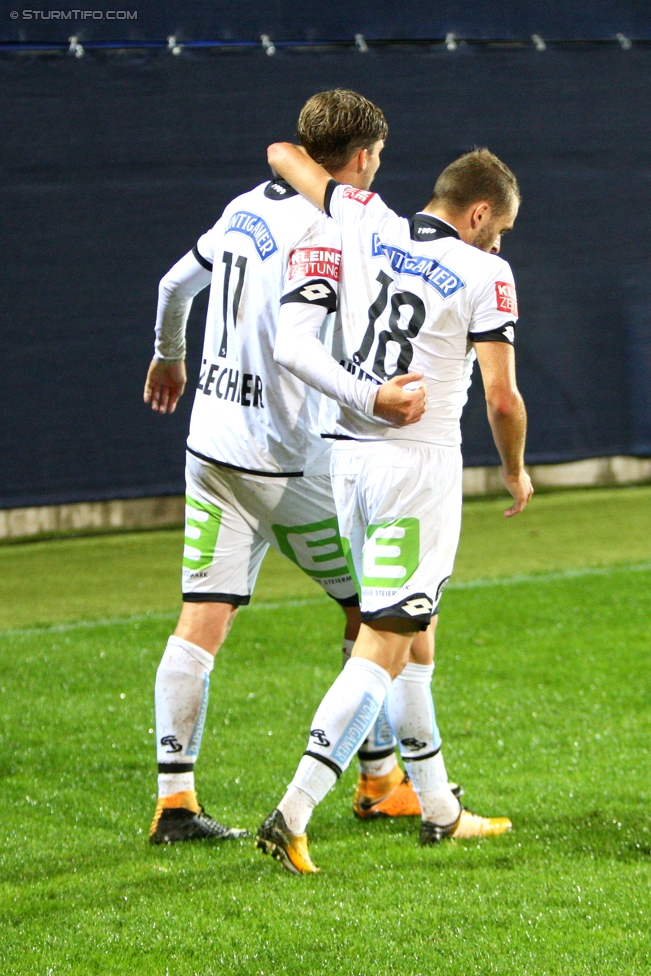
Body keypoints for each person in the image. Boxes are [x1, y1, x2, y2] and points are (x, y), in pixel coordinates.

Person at [142, 90, 427, 845]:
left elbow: (175, 285)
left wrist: (170, 355)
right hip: (290, 457)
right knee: (382, 611)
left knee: (201, 619)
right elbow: (308, 347)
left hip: (211, 447)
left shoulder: (241, 207)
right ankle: (378, 782)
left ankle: (175, 804)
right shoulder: (334, 227)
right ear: (362, 156)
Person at [255, 143, 533, 873]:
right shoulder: (486, 271)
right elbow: (501, 397)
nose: (498, 242)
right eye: (497, 227)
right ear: (478, 214)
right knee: (384, 639)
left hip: (346, 455)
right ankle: (294, 809)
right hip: (416, 465)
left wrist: (302, 153)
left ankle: (438, 807)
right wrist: (513, 469)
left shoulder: (365, 218)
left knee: (416, 628)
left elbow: (288, 157)